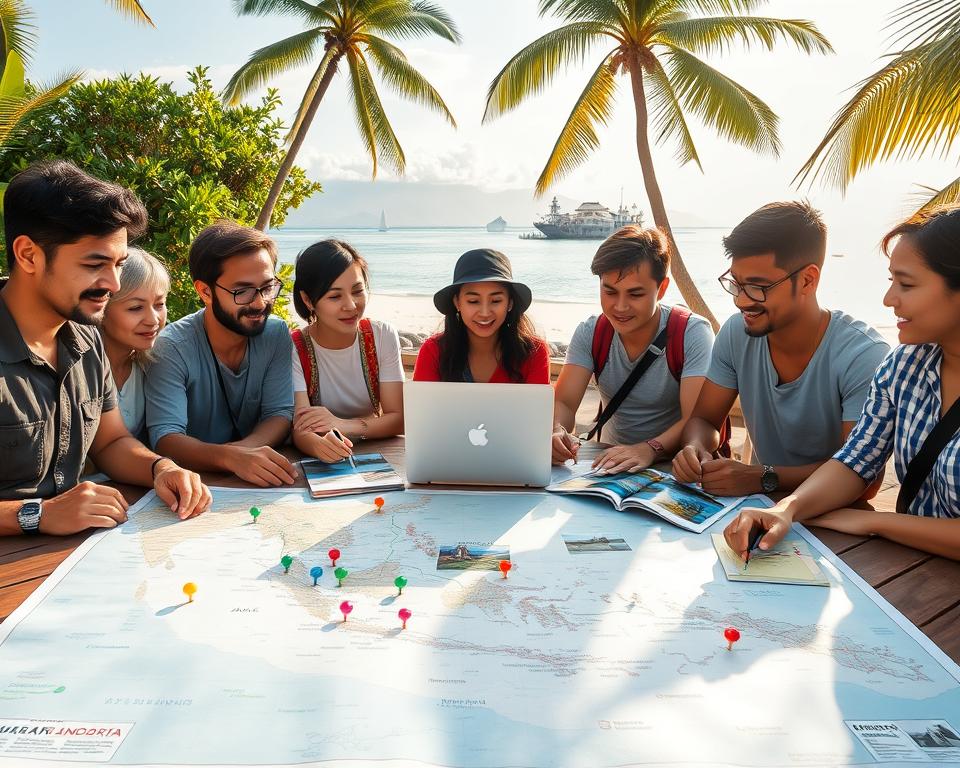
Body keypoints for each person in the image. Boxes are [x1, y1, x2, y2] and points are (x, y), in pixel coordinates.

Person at [725, 206, 960, 561]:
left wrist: (874, 523)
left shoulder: (864, 351)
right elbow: (856, 460)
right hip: (919, 570)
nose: (888, 299)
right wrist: (786, 509)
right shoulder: (905, 365)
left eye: (907, 284)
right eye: (890, 281)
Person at [0, 160, 210, 536]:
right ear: (29, 255)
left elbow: (110, 440)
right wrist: (38, 514)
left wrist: (160, 468)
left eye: (119, 264)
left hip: (72, 556)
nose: (113, 284)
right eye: (95, 264)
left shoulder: (86, 336)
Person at [673, 201, 890, 496]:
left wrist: (764, 477)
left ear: (807, 280)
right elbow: (704, 419)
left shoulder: (864, 356)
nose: (741, 300)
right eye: (736, 283)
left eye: (757, 287)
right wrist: (694, 447)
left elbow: (865, 481)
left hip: (833, 519)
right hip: (755, 507)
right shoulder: (737, 332)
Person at [145, 221, 297, 487]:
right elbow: (166, 436)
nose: (260, 302)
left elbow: (280, 412)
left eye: (267, 287)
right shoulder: (173, 347)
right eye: (243, 291)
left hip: (250, 477)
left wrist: (243, 454)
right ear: (205, 291)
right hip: (194, 482)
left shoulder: (275, 334)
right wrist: (229, 458)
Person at [552, 226, 715, 473]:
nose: (620, 306)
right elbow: (564, 402)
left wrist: (649, 449)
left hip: (674, 467)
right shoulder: (591, 332)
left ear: (661, 289)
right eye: (609, 291)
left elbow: (696, 418)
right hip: (608, 463)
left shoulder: (692, 333)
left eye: (635, 294)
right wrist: (557, 431)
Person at [290, 239, 404, 462]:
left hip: (378, 452)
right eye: (334, 296)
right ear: (307, 300)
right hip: (325, 458)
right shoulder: (295, 347)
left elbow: (399, 419)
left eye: (358, 291)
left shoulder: (381, 336)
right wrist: (317, 445)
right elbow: (300, 426)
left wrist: (343, 425)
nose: (351, 306)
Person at [413, 248, 549, 384]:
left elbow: (538, 405)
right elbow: (420, 404)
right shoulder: (433, 351)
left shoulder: (534, 353)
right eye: (473, 301)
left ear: (510, 303)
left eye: (496, 301)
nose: (485, 313)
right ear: (457, 303)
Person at [100, 247, 169, 440]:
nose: (153, 319)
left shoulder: (153, 365)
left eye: (159, 304)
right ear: (101, 311)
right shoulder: (79, 371)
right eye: (136, 308)